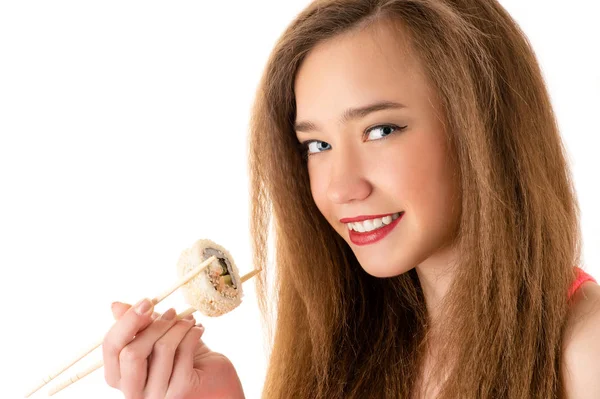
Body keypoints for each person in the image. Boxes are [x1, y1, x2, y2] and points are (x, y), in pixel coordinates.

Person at [102, 0, 600, 398]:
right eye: (316, 145)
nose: (340, 188)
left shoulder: (585, 350)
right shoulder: (357, 345)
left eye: (381, 130)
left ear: (486, 127)